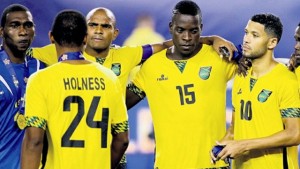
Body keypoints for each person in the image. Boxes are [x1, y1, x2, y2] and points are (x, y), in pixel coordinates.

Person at [27, 7, 236, 169]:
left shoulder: (125, 56)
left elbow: (167, 45)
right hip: (74, 154)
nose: (99, 30)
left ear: (115, 33)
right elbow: (14, 52)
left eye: (105, 26)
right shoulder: (53, 53)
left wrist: (212, 39)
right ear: (84, 33)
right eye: (93, 25)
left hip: (110, 155)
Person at [126, 1, 237, 168]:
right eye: (180, 30)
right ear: (171, 28)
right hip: (168, 165)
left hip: (214, 164)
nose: (187, 38)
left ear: (201, 28)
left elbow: (254, 77)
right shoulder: (152, 65)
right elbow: (120, 104)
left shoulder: (218, 57)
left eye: (193, 31)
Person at [21, 10, 129, 169]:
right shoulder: (110, 78)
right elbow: (122, 139)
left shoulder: (40, 80)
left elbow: (34, 141)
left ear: (52, 37)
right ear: (86, 38)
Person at [214, 14, 300, 169]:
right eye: (246, 32)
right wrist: (223, 144)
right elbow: (235, 128)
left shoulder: (287, 79)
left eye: (255, 35)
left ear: (272, 42)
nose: (246, 39)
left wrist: (244, 145)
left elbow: (294, 134)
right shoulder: (241, 75)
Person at [0, 4, 45, 168]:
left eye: (28, 25)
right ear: (1, 31)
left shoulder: (43, 70)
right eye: (14, 25)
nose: (23, 31)